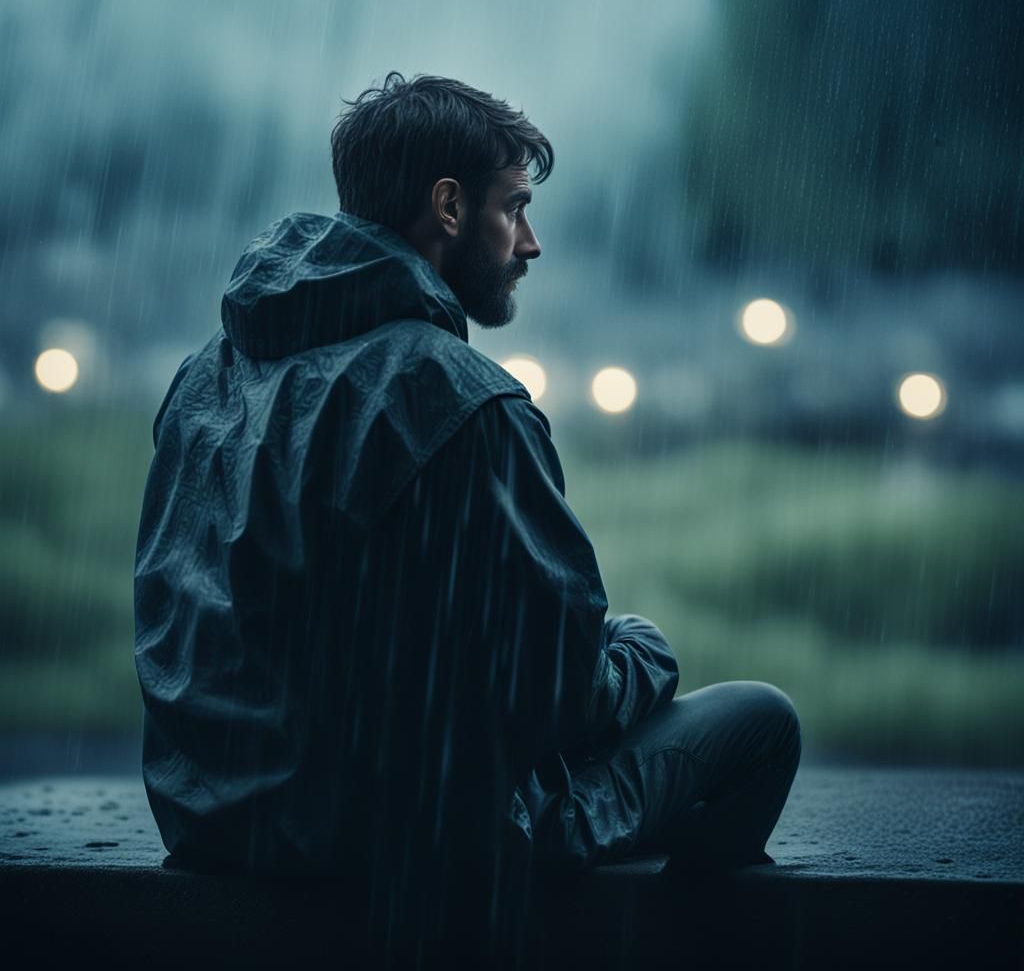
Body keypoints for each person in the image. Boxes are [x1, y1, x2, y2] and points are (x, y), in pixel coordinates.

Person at [134, 71, 801, 966]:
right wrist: (646, 657)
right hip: (404, 849)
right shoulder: (459, 401)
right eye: (514, 208)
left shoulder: (206, 376)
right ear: (448, 207)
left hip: (217, 819)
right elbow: (560, 698)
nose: (531, 243)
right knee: (760, 719)